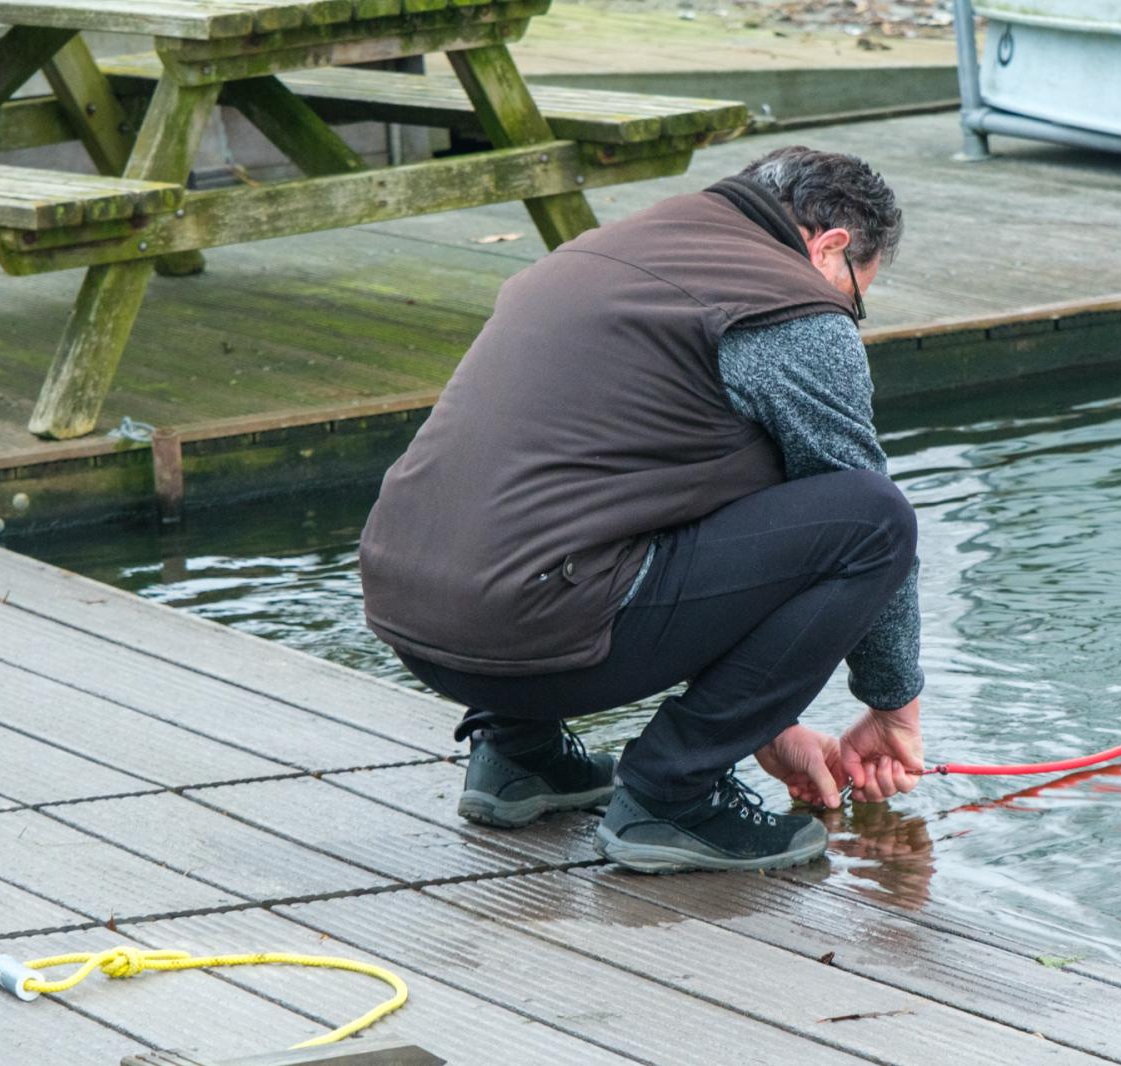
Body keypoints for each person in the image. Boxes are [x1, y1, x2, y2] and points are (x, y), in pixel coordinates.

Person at [359, 146, 925, 874]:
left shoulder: (602, 250)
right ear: (830, 247)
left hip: (413, 617)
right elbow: (857, 514)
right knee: (874, 520)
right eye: (856, 298)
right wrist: (892, 704)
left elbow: (661, 496)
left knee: (596, 495)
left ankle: (518, 756)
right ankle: (671, 795)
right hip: (535, 635)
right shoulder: (788, 306)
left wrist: (767, 722)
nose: (847, 316)